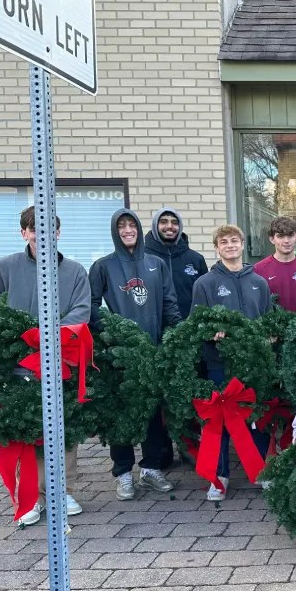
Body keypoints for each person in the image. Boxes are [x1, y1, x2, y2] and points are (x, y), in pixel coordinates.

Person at [0, 206, 91, 525]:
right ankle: (30, 497)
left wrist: (48, 336)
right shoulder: (5, 268)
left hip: (61, 362)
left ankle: (60, 491)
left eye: (48, 229)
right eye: (34, 229)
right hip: (19, 365)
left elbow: (81, 311)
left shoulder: (74, 272)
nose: (41, 235)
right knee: (24, 429)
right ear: (24, 233)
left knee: (63, 429)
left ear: (58, 233)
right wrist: (16, 338)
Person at [89, 208, 181, 501]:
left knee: (154, 412)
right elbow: (91, 307)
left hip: (152, 351)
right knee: (122, 414)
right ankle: (124, 472)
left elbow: (169, 304)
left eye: (132, 225)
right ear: (115, 231)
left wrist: (177, 335)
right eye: (122, 226)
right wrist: (110, 335)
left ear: (140, 229)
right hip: (120, 356)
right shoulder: (104, 266)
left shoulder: (155, 264)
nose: (127, 230)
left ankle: (152, 468)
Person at [191, 224, 272, 500]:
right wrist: (210, 334)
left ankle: (261, 471)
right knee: (219, 422)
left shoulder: (258, 282)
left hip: (252, 363)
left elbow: (267, 320)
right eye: (224, 242)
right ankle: (219, 477)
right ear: (217, 248)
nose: (230, 245)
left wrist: (268, 338)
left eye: (234, 240)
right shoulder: (205, 283)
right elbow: (196, 324)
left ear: (242, 244)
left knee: (256, 417)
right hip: (219, 363)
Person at [142, 208, 208, 319]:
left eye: (174, 222)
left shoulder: (196, 259)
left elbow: (206, 296)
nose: (169, 226)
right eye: (163, 222)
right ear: (155, 226)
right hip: (152, 330)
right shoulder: (141, 258)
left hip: (189, 330)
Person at [252, 216, 296, 312]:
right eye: (280, 236)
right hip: (271, 326)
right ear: (272, 239)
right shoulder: (258, 269)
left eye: (290, 235)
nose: (286, 241)